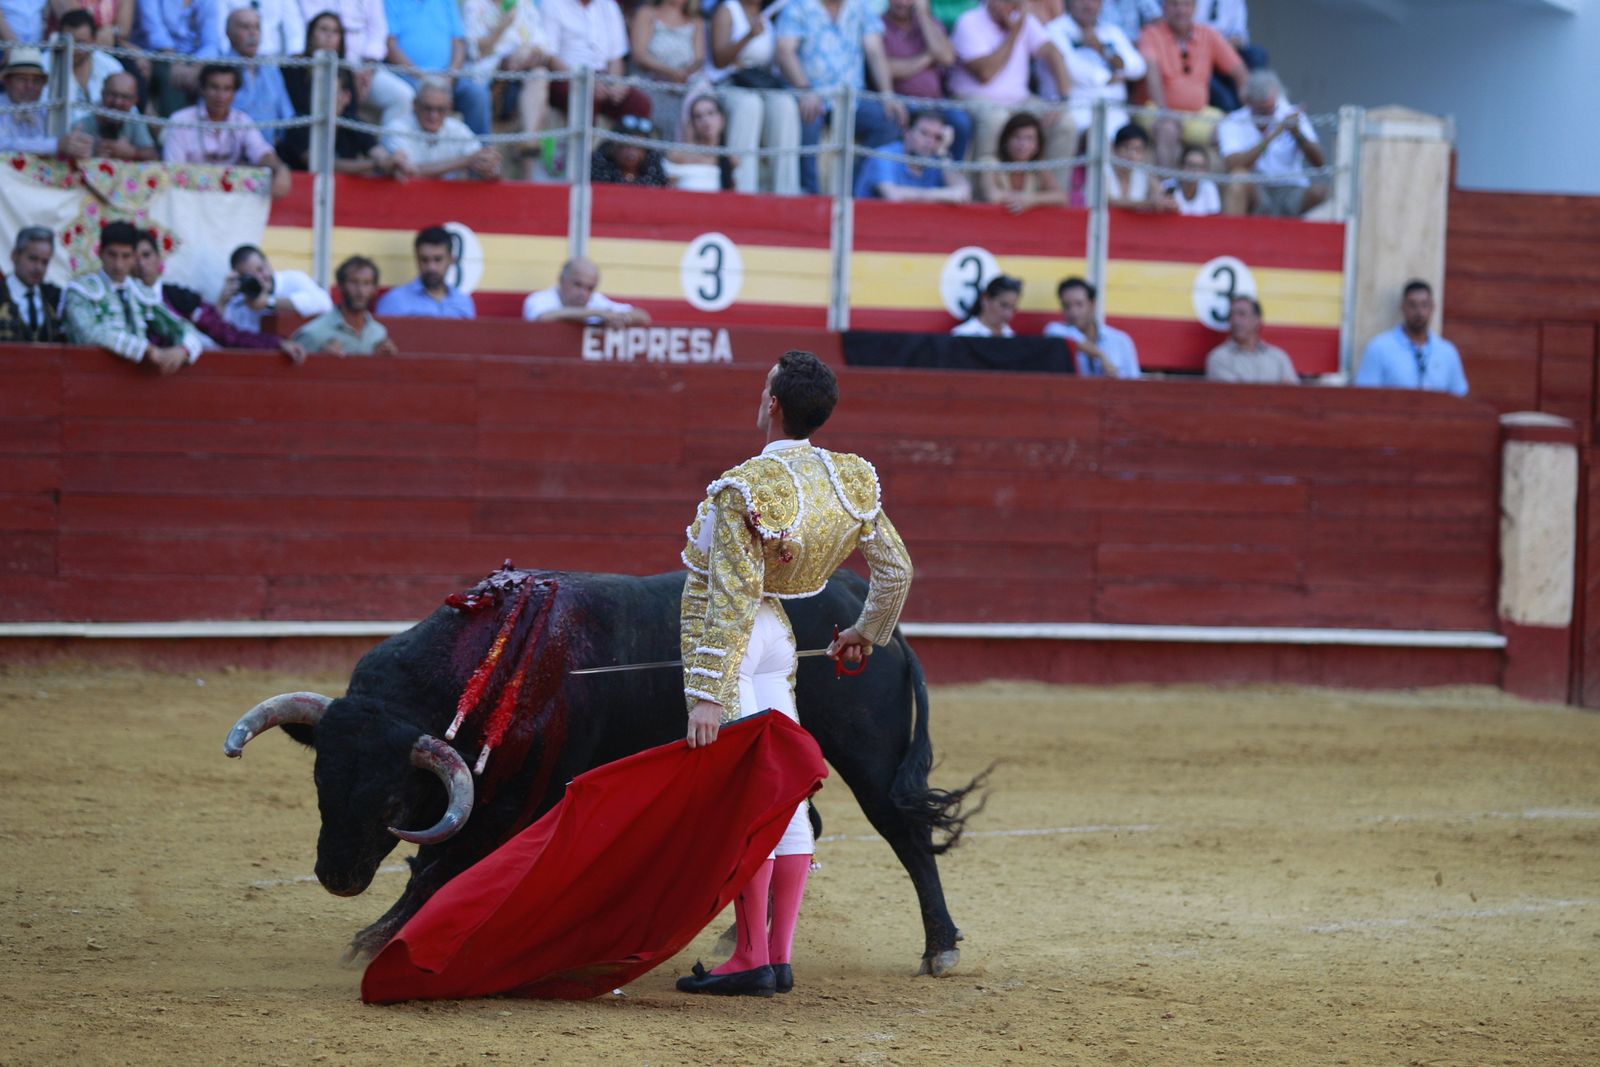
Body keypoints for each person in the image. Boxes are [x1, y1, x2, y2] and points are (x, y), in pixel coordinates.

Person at [675, 348, 913, 998]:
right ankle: (777, 955)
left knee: (747, 792)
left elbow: (727, 597)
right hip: (780, 638)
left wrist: (705, 694)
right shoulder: (849, 479)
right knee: (785, 797)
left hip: (735, 641)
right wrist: (867, 633)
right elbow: (895, 570)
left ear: (772, 404)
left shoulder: (742, 486)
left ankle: (748, 955)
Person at [774, 0, 908, 196]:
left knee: (891, 120)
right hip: (811, 95)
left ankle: (854, 191)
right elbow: (784, 51)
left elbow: (875, 51)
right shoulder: (798, 6)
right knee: (807, 118)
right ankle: (810, 195)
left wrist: (887, 94)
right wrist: (805, 89)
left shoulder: (860, 7)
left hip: (852, 99)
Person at [133, 230, 308, 362]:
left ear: (159, 259)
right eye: (133, 257)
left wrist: (276, 344)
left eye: (147, 255)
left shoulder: (180, 298)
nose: (141, 264)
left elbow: (227, 335)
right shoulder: (117, 297)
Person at [947, 0, 1074, 171]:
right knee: (996, 119)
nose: (1010, 6)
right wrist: (1013, 33)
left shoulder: (1023, 20)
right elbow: (986, 73)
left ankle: (1053, 194)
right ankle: (984, 193)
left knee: (1064, 123)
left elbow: (1052, 52)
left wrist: (1063, 99)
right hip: (972, 98)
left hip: (1019, 100)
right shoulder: (969, 21)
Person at [62, 221, 204, 373]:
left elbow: (179, 327)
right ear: (100, 253)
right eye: (112, 255)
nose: (118, 264)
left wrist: (184, 350)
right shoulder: (81, 290)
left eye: (126, 256)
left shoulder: (140, 293)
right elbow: (87, 333)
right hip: (87, 378)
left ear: (134, 257)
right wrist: (145, 350)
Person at [704, 0, 800, 195]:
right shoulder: (728, 10)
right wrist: (748, 36)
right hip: (728, 84)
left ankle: (786, 192)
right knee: (749, 106)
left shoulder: (770, 15)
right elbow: (719, 60)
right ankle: (742, 189)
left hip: (758, 85)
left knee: (786, 105)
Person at [1137, 0, 1244, 168]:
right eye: (1175, 4)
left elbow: (1239, 71)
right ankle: (1169, 189)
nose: (1181, 10)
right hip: (1155, 108)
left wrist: (1250, 109)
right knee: (1168, 129)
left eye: (1186, 5)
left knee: (1231, 131)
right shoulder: (1150, 33)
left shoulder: (1208, 34)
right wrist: (1163, 111)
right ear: (1164, 8)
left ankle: (1215, 192)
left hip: (1198, 113)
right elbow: (1152, 73)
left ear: (1194, 8)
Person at [162, 64, 294, 199]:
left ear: (234, 93)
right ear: (202, 89)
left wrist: (279, 169)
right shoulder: (180, 121)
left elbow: (260, 151)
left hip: (231, 201)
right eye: (214, 87)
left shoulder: (242, 121)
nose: (220, 96)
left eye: (227, 89)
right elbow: (174, 169)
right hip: (187, 196)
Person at [461, 0, 553, 177]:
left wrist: (529, 53)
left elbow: (544, 46)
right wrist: (504, 24)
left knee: (540, 74)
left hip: (523, 75)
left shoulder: (524, 5)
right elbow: (477, 51)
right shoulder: (473, 5)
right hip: (490, 80)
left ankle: (529, 144)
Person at [1217, 70, 1326, 218]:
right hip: (1258, 192)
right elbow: (1233, 164)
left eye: (1271, 109)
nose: (1268, 115)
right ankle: (1230, 238)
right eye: (1261, 110)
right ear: (1247, 101)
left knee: (1321, 191)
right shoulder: (1233, 121)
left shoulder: (1291, 114)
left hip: (1292, 189)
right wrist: (1272, 136)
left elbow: (1320, 163)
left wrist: (1297, 133)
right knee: (1238, 178)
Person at [881, 0, 972, 164]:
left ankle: (950, 179)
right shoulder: (878, 24)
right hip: (901, 103)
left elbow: (946, 57)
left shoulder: (931, 24)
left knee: (960, 122)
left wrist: (923, 16)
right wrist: (927, 57)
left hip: (936, 104)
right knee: (892, 122)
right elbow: (886, 69)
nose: (902, 3)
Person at [384, 0, 492, 135]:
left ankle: (482, 152)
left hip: (448, 77)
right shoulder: (391, 2)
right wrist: (422, 77)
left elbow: (458, 42)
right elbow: (390, 45)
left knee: (477, 95)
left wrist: (451, 74)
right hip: (409, 76)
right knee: (410, 95)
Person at [1043, 0, 1146, 140]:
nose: (1089, 5)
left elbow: (1138, 67)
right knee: (1097, 140)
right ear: (1070, 3)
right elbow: (1073, 70)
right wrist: (1112, 76)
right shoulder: (1054, 30)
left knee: (1131, 143)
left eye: (1094, 1)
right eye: (1083, 1)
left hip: (1116, 110)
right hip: (1078, 109)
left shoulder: (1111, 31)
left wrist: (1102, 50)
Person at [542, 0, 653, 127]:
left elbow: (616, 57)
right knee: (585, 98)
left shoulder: (610, 6)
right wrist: (585, 81)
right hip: (568, 77)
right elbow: (550, 57)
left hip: (603, 78)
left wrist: (614, 83)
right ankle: (587, 146)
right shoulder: (552, 4)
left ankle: (628, 146)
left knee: (639, 103)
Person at [1354, 280, 1468, 396]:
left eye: (1424, 305)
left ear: (1432, 307)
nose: (1419, 312)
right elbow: (1364, 397)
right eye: (1413, 305)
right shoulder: (1379, 348)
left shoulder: (1447, 352)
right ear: (1403, 307)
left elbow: (1460, 396)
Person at [280, 67, 397, 174]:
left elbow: (378, 153)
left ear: (346, 97)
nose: (322, 99)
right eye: (318, 92)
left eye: (330, 93)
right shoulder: (300, 123)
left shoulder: (352, 123)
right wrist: (375, 165)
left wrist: (393, 161)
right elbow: (321, 164)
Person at [384, 77, 502, 181]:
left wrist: (489, 166)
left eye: (440, 109)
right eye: (427, 108)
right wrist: (465, 161)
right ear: (415, 104)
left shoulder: (457, 130)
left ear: (450, 107)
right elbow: (409, 171)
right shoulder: (398, 127)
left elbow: (488, 167)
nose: (433, 116)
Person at [853, 110, 970, 203]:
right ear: (907, 133)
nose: (930, 141)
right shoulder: (885, 155)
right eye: (924, 133)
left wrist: (943, 152)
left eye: (937, 137)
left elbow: (964, 193)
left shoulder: (936, 158)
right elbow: (893, 195)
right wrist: (944, 195)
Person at [292, 255, 399, 355]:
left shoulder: (378, 334)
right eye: (353, 282)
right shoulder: (313, 334)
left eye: (366, 283)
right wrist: (321, 361)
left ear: (374, 289)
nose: (360, 291)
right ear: (340, 286)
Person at [221, 6, 297, 145]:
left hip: (271, 151)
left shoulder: (271, 69)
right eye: (245, 27)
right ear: (228, 33)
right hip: (232, 151)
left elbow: (286, 116)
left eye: (257, 27)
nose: (253, 33)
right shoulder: (219, 69)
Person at [0, 47, 94, 159]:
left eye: (36, 81)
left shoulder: (48, 111)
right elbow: (5, 145)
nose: (30, 86)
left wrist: (78, 146)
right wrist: (55, 145)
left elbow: (66, 142)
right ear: (7, 82)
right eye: (22, 79)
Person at [219, 243, 335, 333]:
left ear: (267, 263)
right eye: (252, 276)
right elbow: (223, 334)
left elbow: (325, 303)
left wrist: (269, 302)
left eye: (260, 269)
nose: (260, 278)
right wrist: (222, 303)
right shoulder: (239, 300)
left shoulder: (293, 279)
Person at [629, 0, 701, 142]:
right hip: (651, 79)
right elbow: (639, 55)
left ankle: (692, 155)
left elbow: (699, 59)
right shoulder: (646, 13)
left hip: (684, 81)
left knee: (700, 97)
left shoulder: (696, 21)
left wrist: (683, 75)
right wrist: (670, 73)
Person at [136, 0, 224, 114]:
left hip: (195, 59)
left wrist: (196, 66)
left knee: (220, 77)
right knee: (170, 76)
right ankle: (172, 127)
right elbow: (155, 33)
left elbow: (211, 42)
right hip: (159, 55)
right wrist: (175, 61)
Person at [1045, 276, 1138, 378]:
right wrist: (1101, 356)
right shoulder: (1055, 330)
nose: (1073, 312)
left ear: (1092, 304)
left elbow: (1134, 382)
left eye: (1079, 304)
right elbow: (1071, 341)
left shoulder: (1121, 340)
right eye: (1067, 306)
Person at [375, 225, 476, 318]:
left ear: (451, 259)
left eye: (438, 259)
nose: (431, 267)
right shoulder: (394, 301)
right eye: (424, 259)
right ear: (417, 259)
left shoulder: (464, 303)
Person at [521, 256, 650, 327]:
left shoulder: (596, 301)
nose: (583, 293)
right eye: (578, 284)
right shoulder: (539, 299)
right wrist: (596, 314)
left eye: (590, 288)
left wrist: (623, 319)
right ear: (561, 280)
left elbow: (643, 316)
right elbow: (543, 318)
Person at [981, 110, 1066, 212]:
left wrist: (1032, 200)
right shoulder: (990, 162)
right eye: (1017, 137)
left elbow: (1062, 198)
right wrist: (1025, 199)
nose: (1022, 144)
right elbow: (993, 195)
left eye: (1029, 138)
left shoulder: (1038, 166)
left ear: (1038, 146)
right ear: (1006, 140)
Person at [1204, 294, 1297, 384]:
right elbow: (1235, 395)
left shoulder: (1278, 357)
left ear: (1257, 320)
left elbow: (1292, 393)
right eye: (1231, 315)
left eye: (1242, 314)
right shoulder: (1218, 358)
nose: (1235, 320)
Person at [72, 70, 157, 161]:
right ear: (102, 93)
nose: (117, 102)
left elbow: (152, 154)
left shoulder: (133, 118)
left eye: (125, 97)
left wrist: (132, 152)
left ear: (134, 101)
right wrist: (92, 154)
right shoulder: (84, 120)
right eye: (113, 95)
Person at [58, 9, 124, 124]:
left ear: (93, 41)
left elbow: (127, 110)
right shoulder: (44, 66)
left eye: (80, 43)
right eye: (68, 42)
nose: (73, 49)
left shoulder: (111, 66)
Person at [0, 226, 65, 343]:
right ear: (15, 255)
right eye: (33, 259)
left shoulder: (55, 298)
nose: (39, 268)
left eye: (44, 262)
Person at [666, 93, 736, 192]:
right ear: (693, 124)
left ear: (722, 119)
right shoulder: (678, 156)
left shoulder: (731, 159)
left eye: (710, 113)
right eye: (698, 116)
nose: (706, 120)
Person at [1105, 122, 1172, 211]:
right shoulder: (1102, 170)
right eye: (1126, 147)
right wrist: (1149, 203)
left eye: (1137, 149)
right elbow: (1107, 201)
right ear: (1115, 148)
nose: (1131, 154)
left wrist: (1168, 203)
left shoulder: (1144, 173)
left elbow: (1160, 195)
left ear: (1144, 153)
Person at [590, 113, 669, 186]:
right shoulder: (599, 168)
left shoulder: (654, 171)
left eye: (638, 147)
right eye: (626, 145)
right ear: (614, 146)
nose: (632, 151)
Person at [951, 274, 1021, 336]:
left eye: (1012, 308)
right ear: (985, 300)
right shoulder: (963, 335)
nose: (1008, 314)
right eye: (1003, 305)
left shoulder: (1011, 336)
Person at [1160, 143, 1219, 215]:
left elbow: (1214, 221)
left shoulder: (1209, 188)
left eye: (1199, 167)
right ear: (1180, 166)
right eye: (1190, 165)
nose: (1194, 170)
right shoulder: (1168, 187)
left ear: (1205, 171)